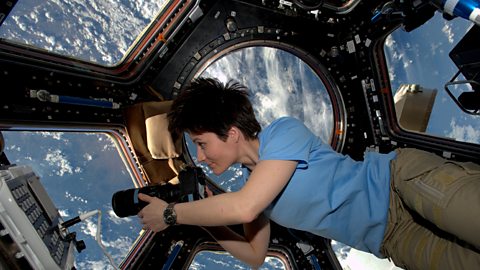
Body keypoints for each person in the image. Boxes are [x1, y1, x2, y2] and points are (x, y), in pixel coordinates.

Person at [137, 77, 480, 269]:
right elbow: (254, 256)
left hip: (400, 187)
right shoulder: (252, 190)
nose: (200, 156)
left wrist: (170, 213)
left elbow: (244, 207)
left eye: (201, 143)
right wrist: (201, 217)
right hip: (393, 240)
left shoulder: (281, 134)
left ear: (231, 132)